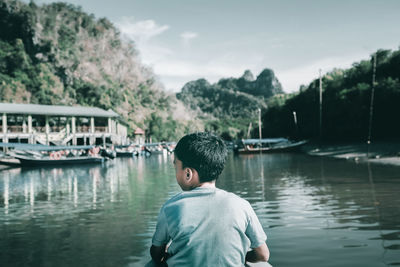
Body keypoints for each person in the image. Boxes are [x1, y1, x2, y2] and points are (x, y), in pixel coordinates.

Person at [149, 132, 270, 266]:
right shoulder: (241, 205)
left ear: (188, 173)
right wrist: (241, 256)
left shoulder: (171, 207)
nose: (175, 172)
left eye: (175, 167)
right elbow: (263, 255)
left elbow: (156, 254)